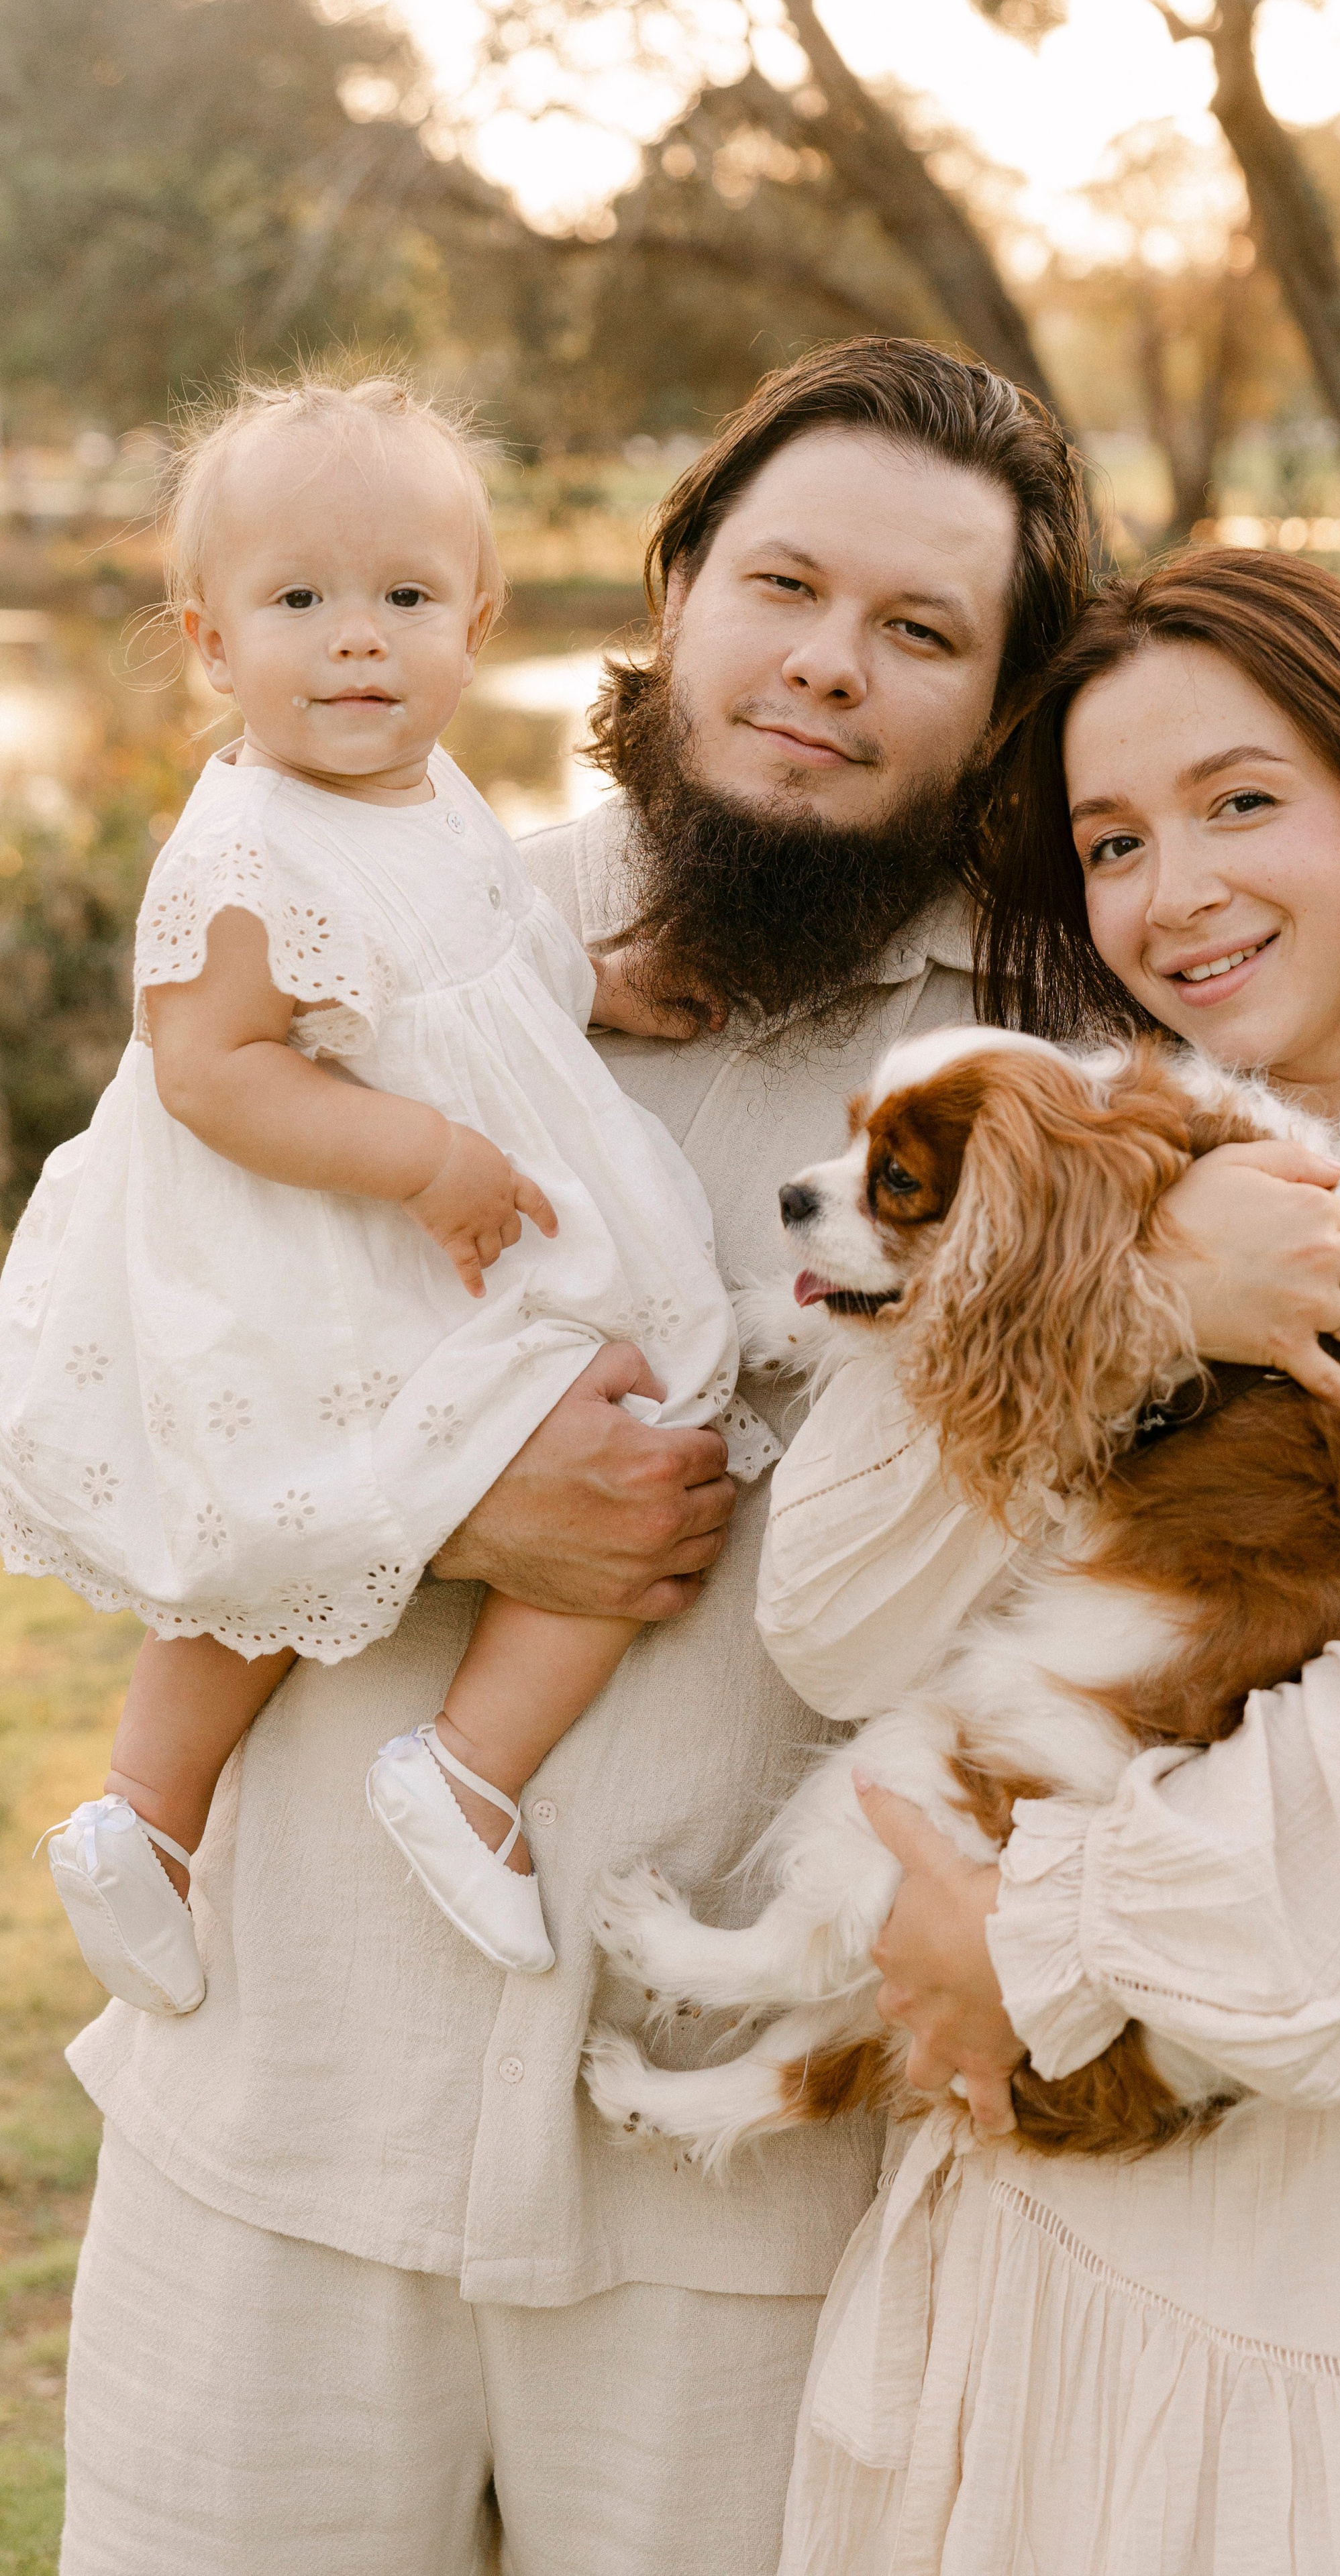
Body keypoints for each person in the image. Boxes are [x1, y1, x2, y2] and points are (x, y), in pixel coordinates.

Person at [52, 343, 1340, 2576]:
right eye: (784, 584)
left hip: (742, 2212)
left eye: (922, 633)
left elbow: (1302, 1536)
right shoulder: (401, 923)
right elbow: (114, 1353)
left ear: (1001, 707)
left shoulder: (1087, 1075)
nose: (828, 666)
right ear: (679, 583)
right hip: (282, 2121)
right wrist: (444, 1511)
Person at [759, 553, 1340, 2575]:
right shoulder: (1065, 1146)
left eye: (1241, 802)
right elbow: (829, 1620)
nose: (1171, 889)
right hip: (1033, 2194)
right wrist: (1149, 1297)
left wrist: (1037, 1938)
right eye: (1114, 840)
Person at [7, 366, 777, 2008]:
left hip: (392, 1244)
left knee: (606, 1434)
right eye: (300, 601)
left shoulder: (425, 795)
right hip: (310, 1243)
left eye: (405, 598)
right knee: (345, 1496)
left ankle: (422, 1780)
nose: (358, 638)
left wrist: (595, 985)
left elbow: (462, 966)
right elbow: (215, 1071)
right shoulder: (240, 853)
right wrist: (427, 1158)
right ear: (211, 643)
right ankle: (176, 1808)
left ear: (475, 621)